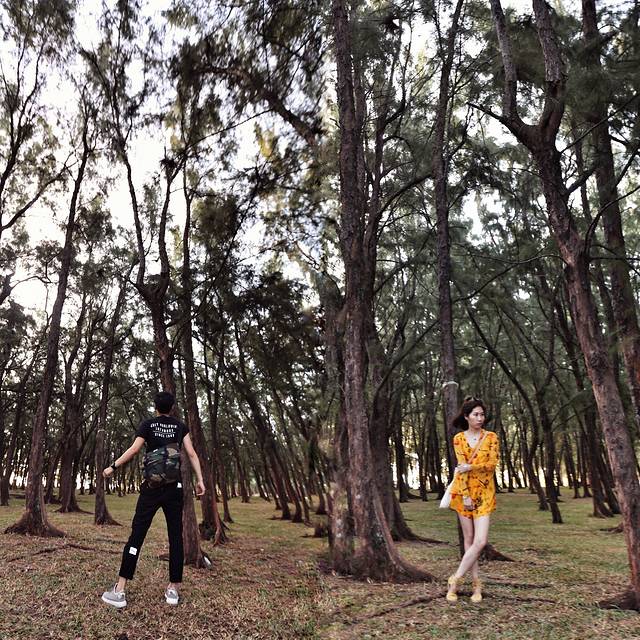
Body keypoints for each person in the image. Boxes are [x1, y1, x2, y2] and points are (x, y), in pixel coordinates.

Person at [101, 391, 205, 608]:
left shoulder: (148, 424)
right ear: (172, 407)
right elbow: (192, 454)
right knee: (175, 538)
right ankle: (173, 589)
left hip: (151, 489)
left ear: (155, 407)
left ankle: (120, 590)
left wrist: (112, 467)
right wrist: (200, 480)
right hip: (174, 489)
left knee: (137, 535)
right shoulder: (180, 426)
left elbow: (134, 450)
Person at [445, 396, 500, 603]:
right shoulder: (458, 439)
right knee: (468, 540)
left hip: (485, 493)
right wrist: (466, 496)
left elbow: (492, 464)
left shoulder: (491, 437)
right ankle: (476, 586)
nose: (480, 418)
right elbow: (461, 470)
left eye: (482, 414)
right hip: (463, 493)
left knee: (481, 541)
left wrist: (472, 467)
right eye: (475, 414)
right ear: (466, 416)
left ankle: (455, 580)